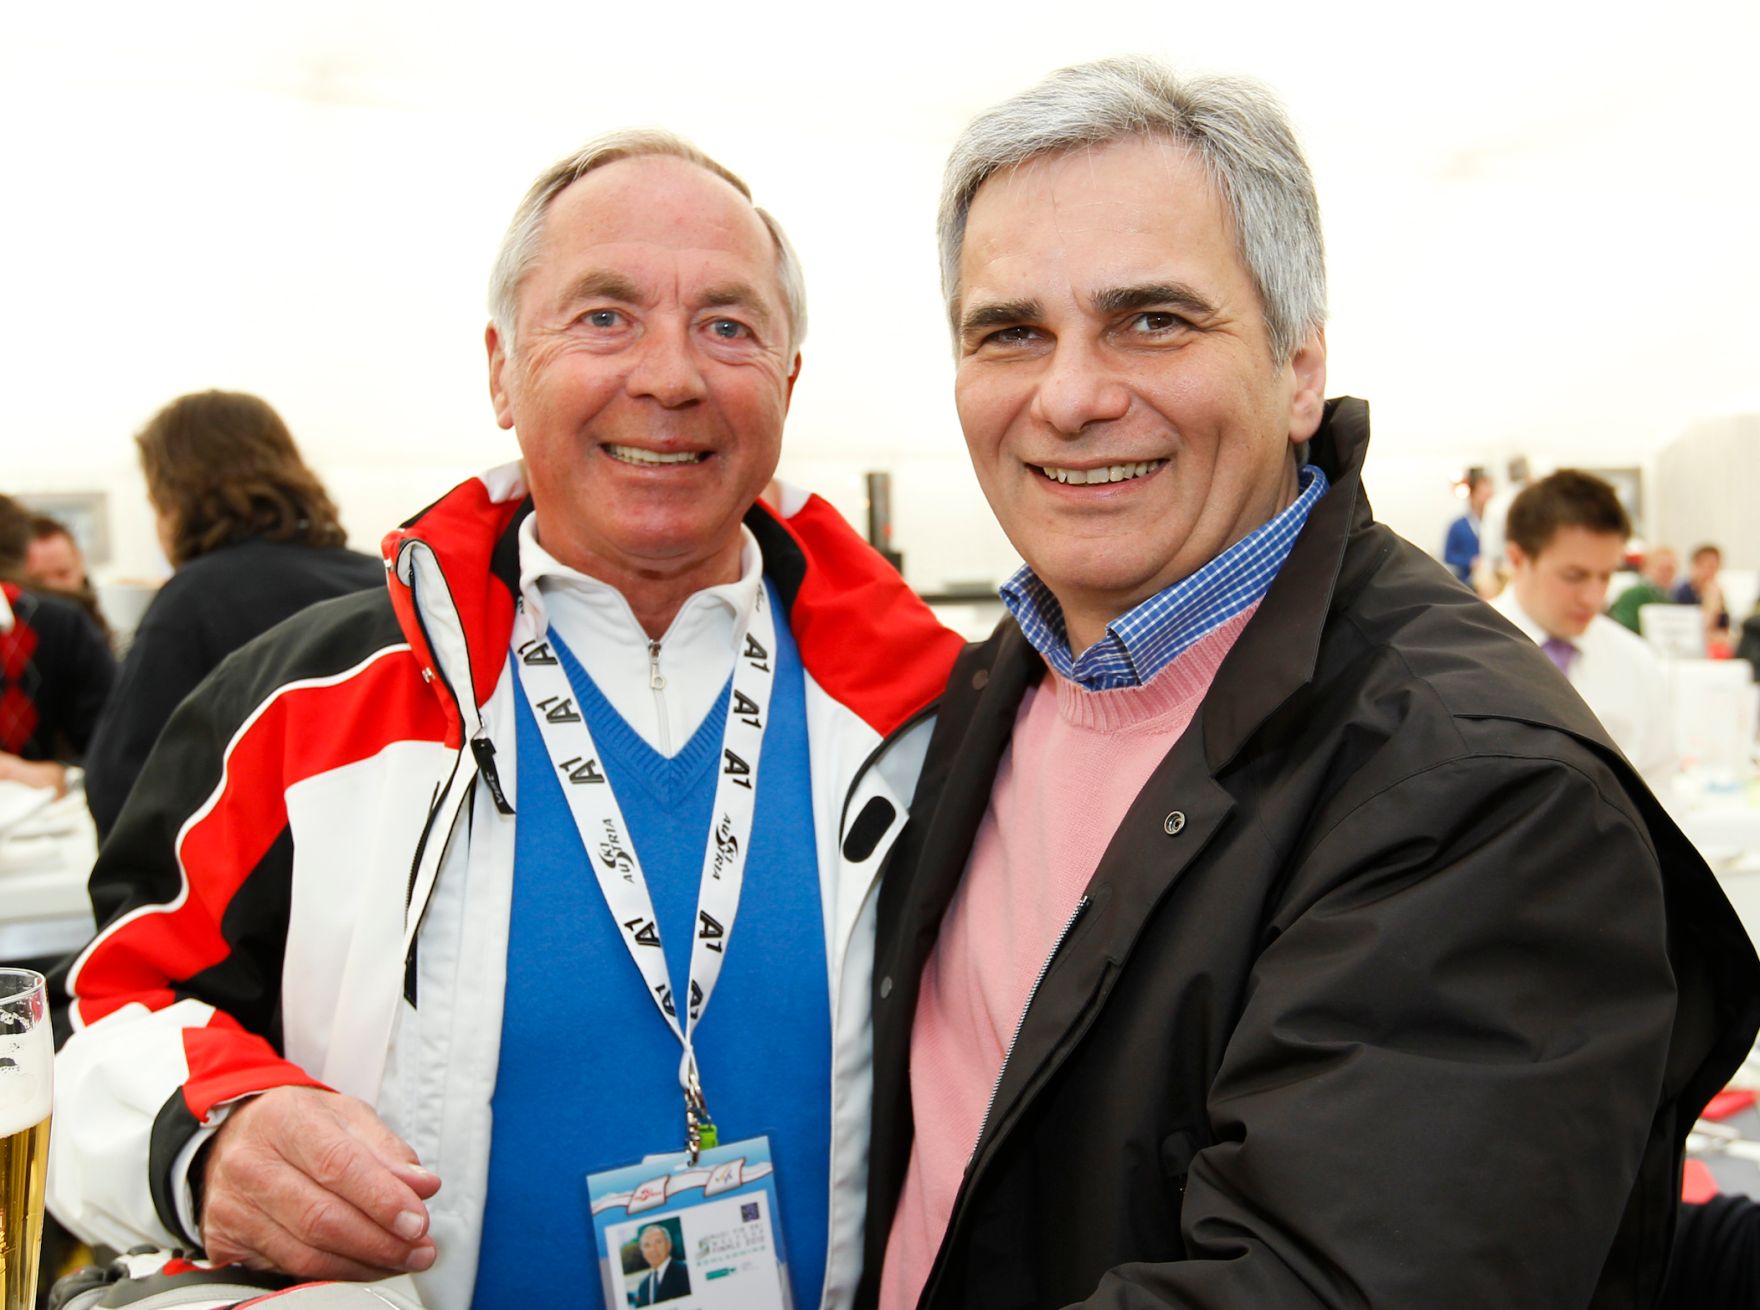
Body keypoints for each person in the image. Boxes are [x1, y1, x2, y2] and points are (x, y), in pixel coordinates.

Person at [858, 57, 1760, 1310]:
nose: (1067, 395)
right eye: (1009, 331)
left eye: (1150, 319)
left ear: (1295, 370)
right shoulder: (1000, 681)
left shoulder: (1480, 790)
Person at [49, 131, 962, 1310]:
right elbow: (111, 1006)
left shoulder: (938, 711)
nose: (671, 375)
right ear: (498, 369)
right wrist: (207, 1132)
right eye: (603, 316)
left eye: (728, 325)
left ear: (786, 381)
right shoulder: (312, 707)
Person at [79, 390, 385, 839]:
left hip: (260, 892)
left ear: (174, 497)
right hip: (391, 881)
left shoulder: (194, 602)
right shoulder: (381, 581)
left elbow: (122, 790)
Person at [1491, 471, 1678, 791]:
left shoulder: (1636, 661)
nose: (1594, 598)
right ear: (1517, 559)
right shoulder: (1465, 651)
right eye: (1574, 576)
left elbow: (1658, 781)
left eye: (1605, 576)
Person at [0, 494, 115, 795]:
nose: (52, 588)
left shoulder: (60, 626)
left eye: (62, 574)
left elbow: (116, 749)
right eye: (40, 579)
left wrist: (56, 775)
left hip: (44, 820)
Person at [1607, 543, 1679, 633]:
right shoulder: (1634, 595)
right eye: (1661, 569)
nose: (1666, 574)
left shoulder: (1670, 598)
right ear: (1646, 568)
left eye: (1670, 569)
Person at [1674, 542, 1732, 653]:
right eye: (1707, 566)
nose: (1710, 572)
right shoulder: (1682, 593)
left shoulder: (1716, 592)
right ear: (1695, 566)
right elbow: (1693, 631)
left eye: (1715, 567)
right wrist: (1711, 605)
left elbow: (1724, 630)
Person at [1440, 467, 1492, 585]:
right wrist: (1470, 561)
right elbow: (1448, 555)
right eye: (1482, 493)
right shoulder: (1457, 526)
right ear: (1472, 495)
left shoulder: (1495, 524)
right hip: (1468, 583)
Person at [632, 1225, 690, 1305]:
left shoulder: (685, 1273)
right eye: (647, 1245)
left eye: (658, 1242)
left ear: (669, 1245)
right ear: (642, 1251)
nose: (653, 1249)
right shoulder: (643, 1286)